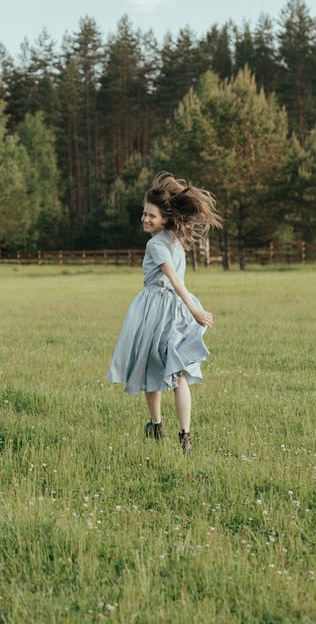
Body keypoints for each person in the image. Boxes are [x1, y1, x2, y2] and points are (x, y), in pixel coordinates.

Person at [107, 172, 221, 453]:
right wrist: (190, 308)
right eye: (144, 214)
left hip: (157, 311)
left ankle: (161, 426)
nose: (145, 219)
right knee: (176, 372)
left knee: (155, 368)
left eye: (151, 216)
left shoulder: (156, 244)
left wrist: (195, 310)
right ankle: (179, 433)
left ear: (165, 219)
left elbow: (174, 279)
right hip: (177, 310)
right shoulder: (173, 238)